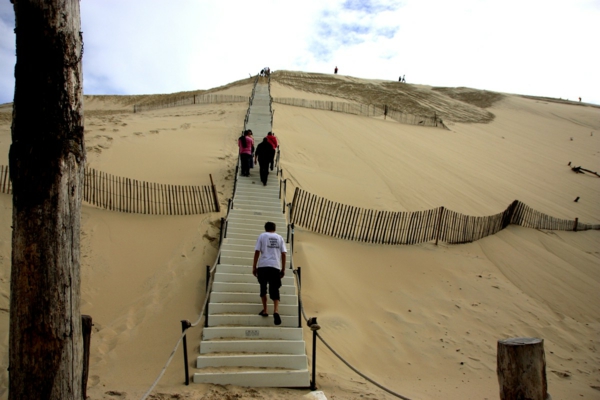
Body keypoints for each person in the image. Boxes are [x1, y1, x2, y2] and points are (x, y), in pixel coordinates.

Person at [253, 222, 287, 325]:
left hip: (263, 265)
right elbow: (284, 253)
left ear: (265, 228)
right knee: (275, 289)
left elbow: (257, 251)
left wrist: (254, 266)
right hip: (275, 266)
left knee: (263, 288)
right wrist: (283, 268)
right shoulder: (280, 238)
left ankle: (265, 310)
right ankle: (276, 311)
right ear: (275, 228)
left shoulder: (262, 236)